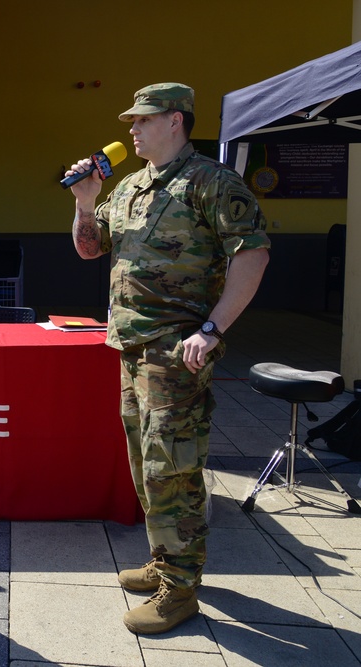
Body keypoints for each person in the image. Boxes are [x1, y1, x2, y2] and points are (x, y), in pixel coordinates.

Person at [66, 83, 270, 635]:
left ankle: (180, 591)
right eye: (131, 120)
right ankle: (165, 560)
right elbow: (91, 248)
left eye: (143, 119)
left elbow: (252, 252)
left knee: (172, 467)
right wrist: (85, 200)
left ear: (175, 121)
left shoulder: (212, 182)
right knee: (144, 464)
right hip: (132, 349)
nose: (131, 128)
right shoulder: (131, 186)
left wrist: (212, 327)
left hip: (176, 351)